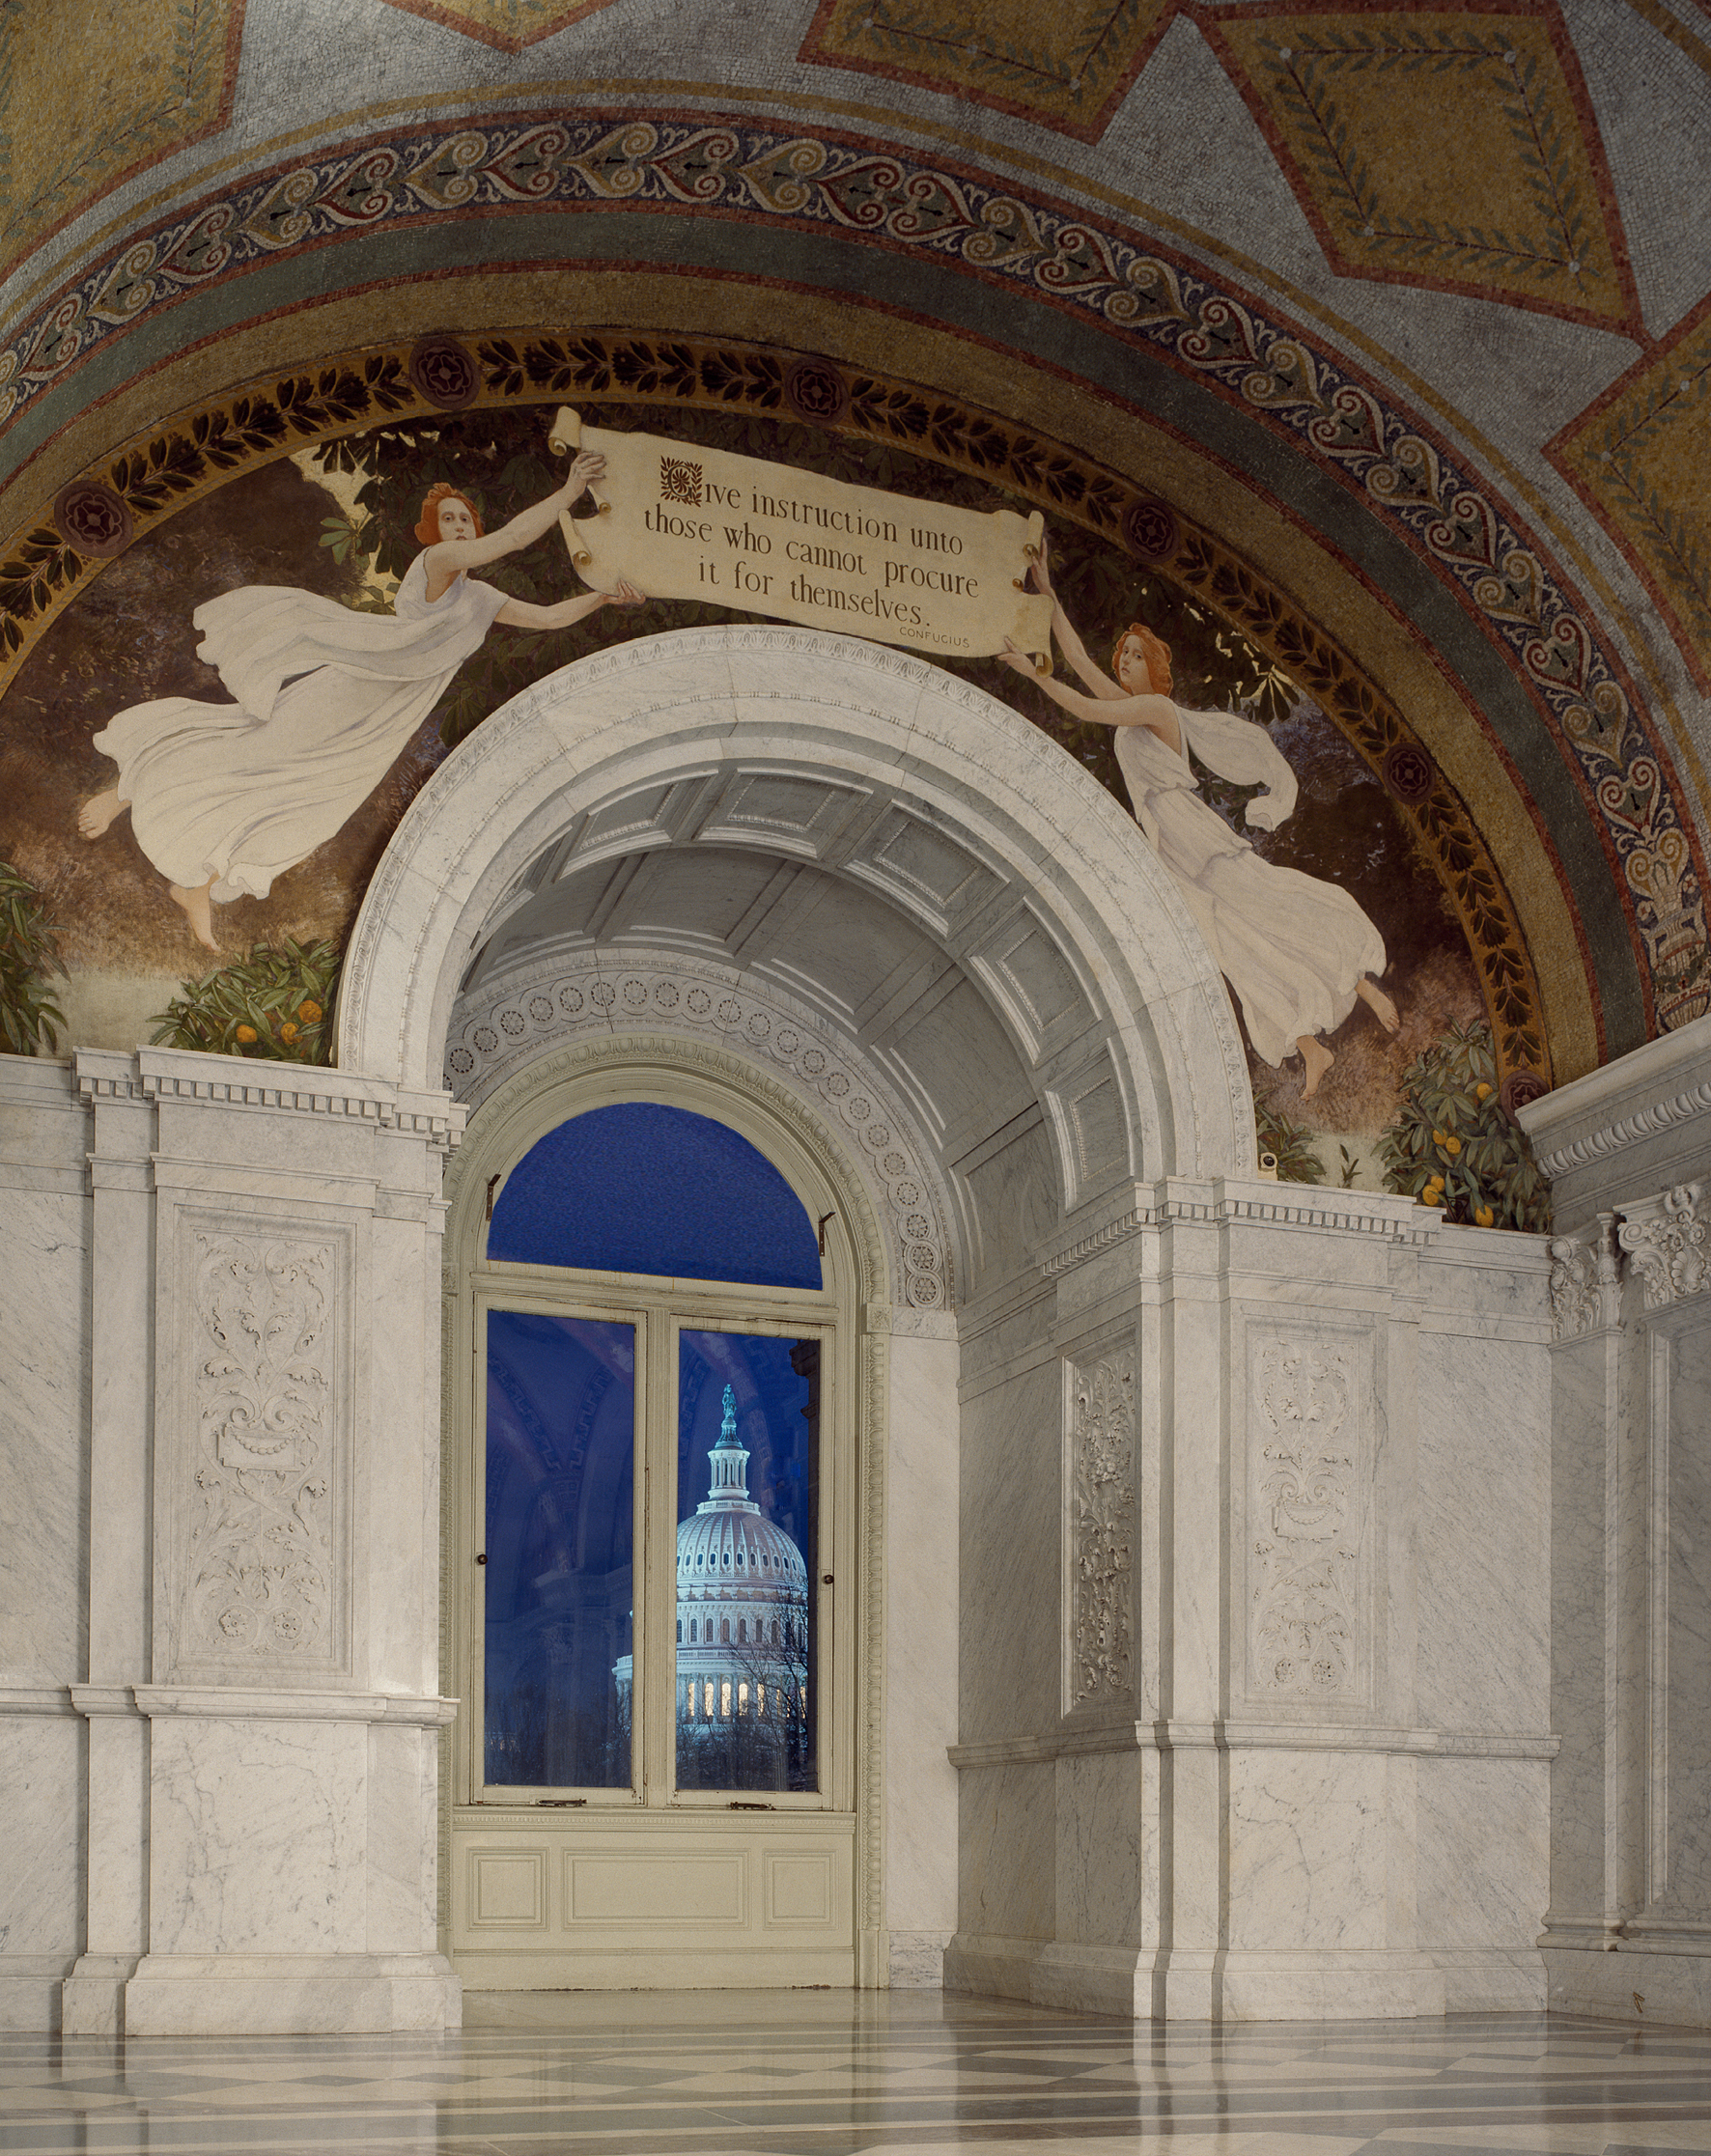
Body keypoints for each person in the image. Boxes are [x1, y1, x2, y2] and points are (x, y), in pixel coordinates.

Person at [79, 455, 644, 949]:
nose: (456, 526)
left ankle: (197, 883)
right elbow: (512, 541)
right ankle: (125, 790)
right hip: (351, 690)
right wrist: (569, 493)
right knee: (256, 752)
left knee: (308, 808)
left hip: (383, 722)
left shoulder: (483, 598)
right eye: (447, 519)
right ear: (434, 534)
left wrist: (602, 597)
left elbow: (546, 618)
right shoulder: (436, 565)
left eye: (464, 519)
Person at [1001, 547, 1398, 1098]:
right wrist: (1049, 593)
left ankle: (1361, 981)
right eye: (1123, 657)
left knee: (1269, 903)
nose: (1123, 664)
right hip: (1169, 847)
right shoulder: (1133, 707)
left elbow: (1088, 707)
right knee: (1231, 946)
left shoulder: (1158, 711)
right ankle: (1311, 1047)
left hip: (1192, 833)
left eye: (1135, 657)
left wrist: (1033, 674)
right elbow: (1084, 667)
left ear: (1157, 670)